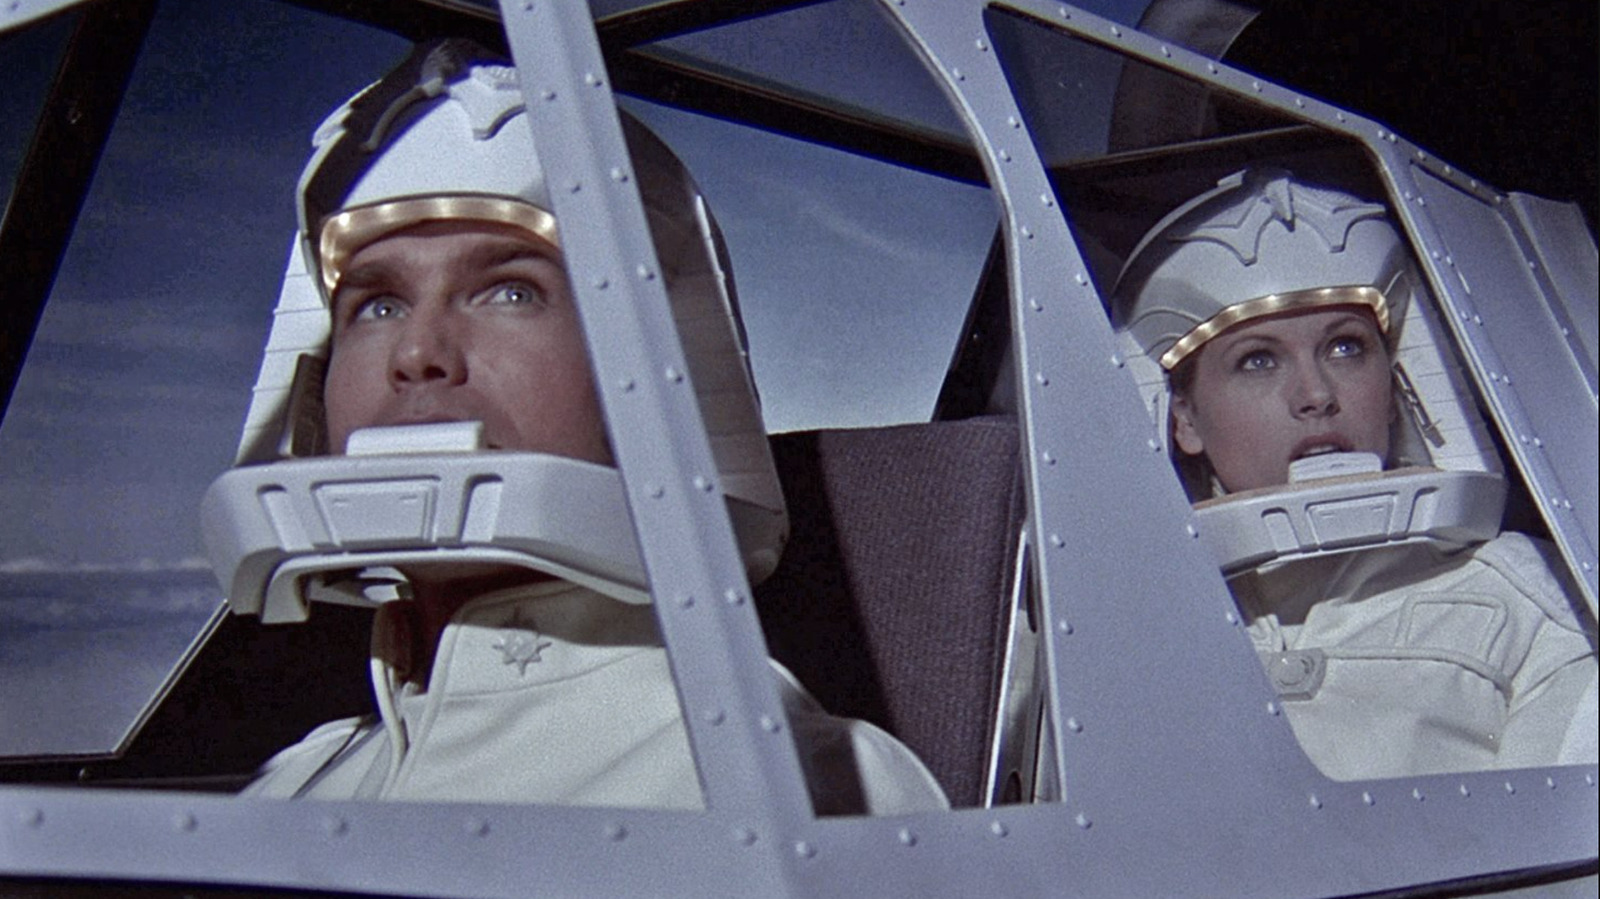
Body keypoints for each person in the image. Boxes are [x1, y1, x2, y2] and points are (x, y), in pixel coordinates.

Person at [208, 41, 947, 813]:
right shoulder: (293, 782)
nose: (418, 353)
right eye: (378, 305)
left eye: (510, 292)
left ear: (652, 380)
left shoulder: (805, 785)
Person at [1111, 168, 1597, 780]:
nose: (1316, 394)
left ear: (1395, 388)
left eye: (1346, 348)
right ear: (1185, 419)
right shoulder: (1110, 613)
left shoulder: (1537, 600)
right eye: (1257, 361)